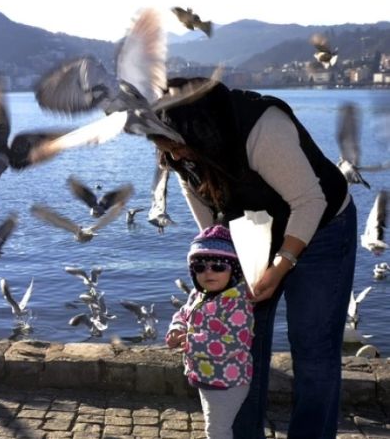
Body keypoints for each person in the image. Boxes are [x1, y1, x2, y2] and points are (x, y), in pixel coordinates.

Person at [149, 79, 356, 438]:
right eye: (167, 151)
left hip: (322, 227)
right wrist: (222, 252)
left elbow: (309, 202)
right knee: (241, 340)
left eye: (178, 148)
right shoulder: (180, 152)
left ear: (203, 131)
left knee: (313, 348)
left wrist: (280, 267)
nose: (174, 157)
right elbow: (202, 202)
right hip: (254, 233)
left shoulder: (263, 128)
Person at [167, 225, 254, 439]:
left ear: (233, 270)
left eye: (218, 266)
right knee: (214, 423)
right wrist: (177, 328)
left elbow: (233, 343)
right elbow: (183, 313)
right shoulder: (199, 294)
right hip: (206, 374)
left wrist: (189, 341)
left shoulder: (237, 304)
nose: (208, 272)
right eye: (199, 267)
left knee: (217, 430)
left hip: (227, 380)